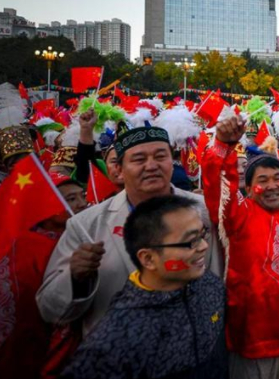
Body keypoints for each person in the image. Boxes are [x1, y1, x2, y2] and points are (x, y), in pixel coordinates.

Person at [36, 125, 221, 337]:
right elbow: (50, 310)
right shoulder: (86, 226)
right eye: (139, 159)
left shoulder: (207, 210)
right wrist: (75, 278)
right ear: (119, 169)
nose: (151, 166)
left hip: (197, 346)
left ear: (172, 161)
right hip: (119, 351)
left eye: (160, 156)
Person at [61, 194, 228, 379]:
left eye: (203, 234)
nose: (204, 246)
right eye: (191, 241)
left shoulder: (211, 286)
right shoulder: (114, 340)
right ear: (148, 258)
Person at [202, 117, 279, 379]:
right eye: (263, 180)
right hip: (250, 341)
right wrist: (223, 145)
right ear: (248, 188)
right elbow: (218, 188)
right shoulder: (239, 214)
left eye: (278, 178)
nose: (272, 186)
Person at [0, 172, 88, 379]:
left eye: (82, 196)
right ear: (44, 205)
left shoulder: (86, 238)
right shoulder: (24, 246)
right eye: (71, 199)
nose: (83, 204)